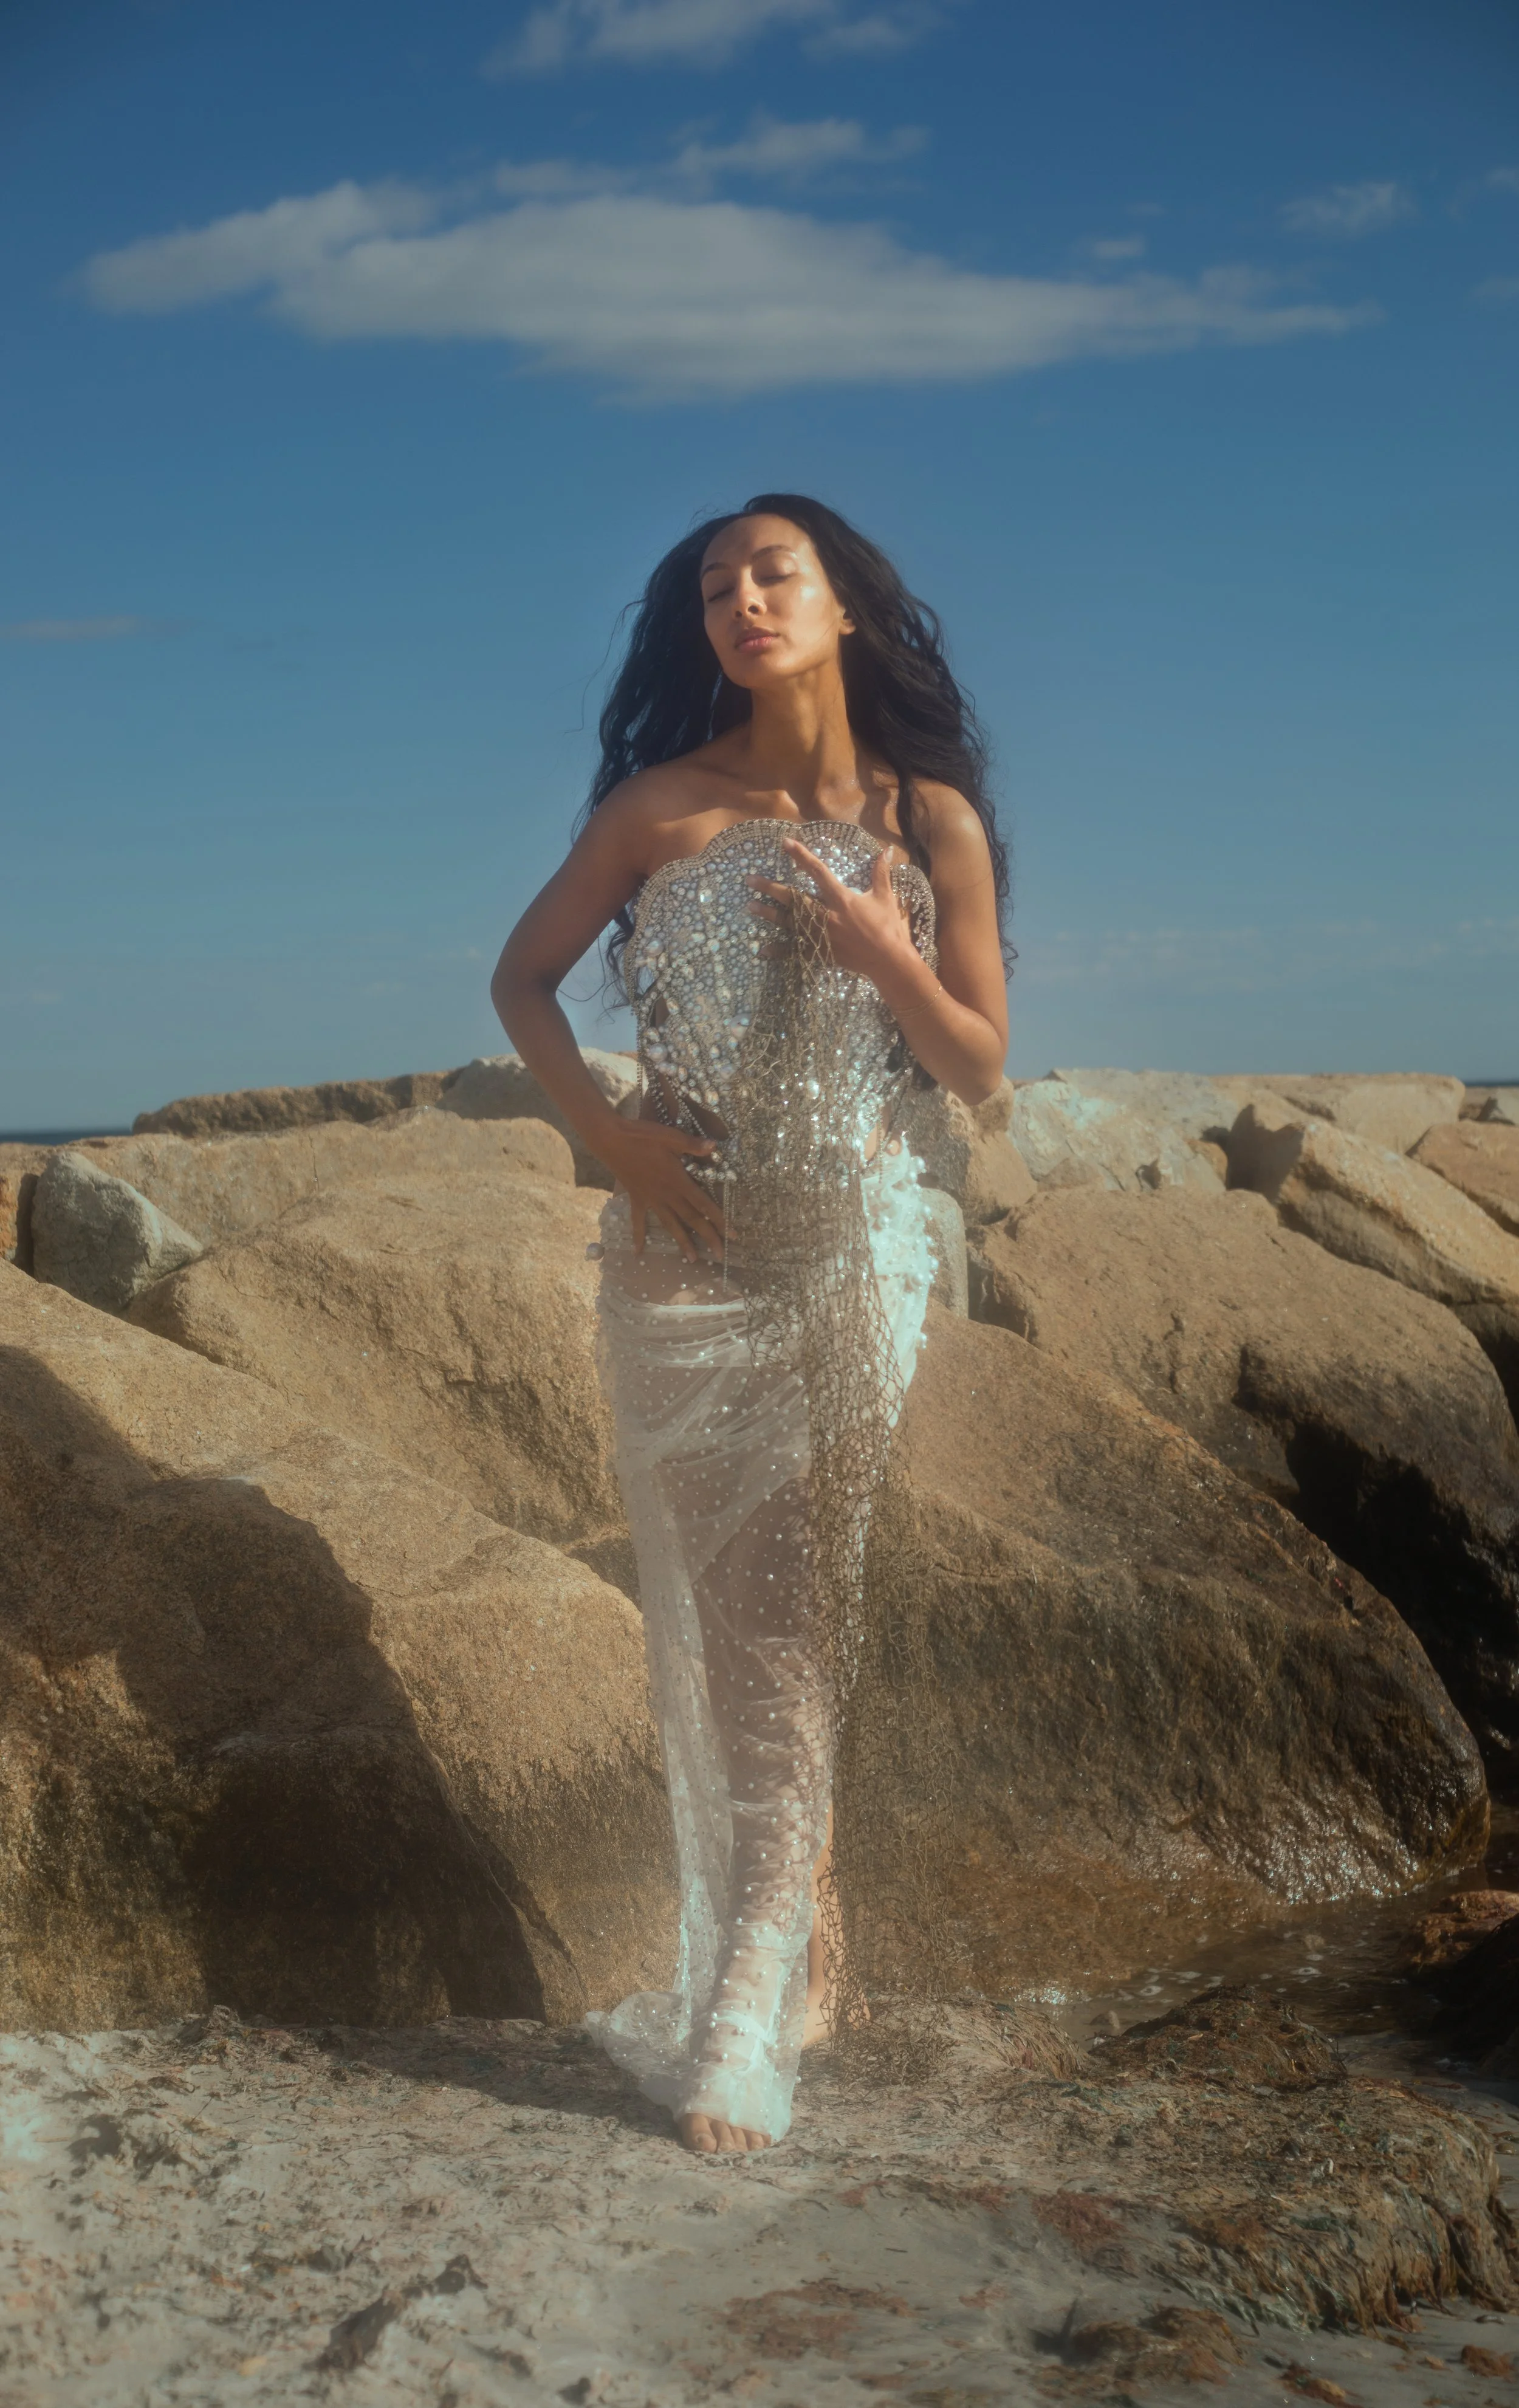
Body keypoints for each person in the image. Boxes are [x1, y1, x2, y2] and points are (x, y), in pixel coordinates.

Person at [491, 493, 1010, 2156]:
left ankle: (746, 2000)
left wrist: (882, 946)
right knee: (739, 1631)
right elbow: (520, 979)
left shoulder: (933, 819)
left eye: (770, 574)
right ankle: (802, 1953)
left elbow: (980, 1064)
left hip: (851, 1250)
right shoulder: (658, 806)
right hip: (682, 1258)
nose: (740, 604)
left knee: (798, 1614)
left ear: (845, 602)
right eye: (713, 588)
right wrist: (608, 1137)